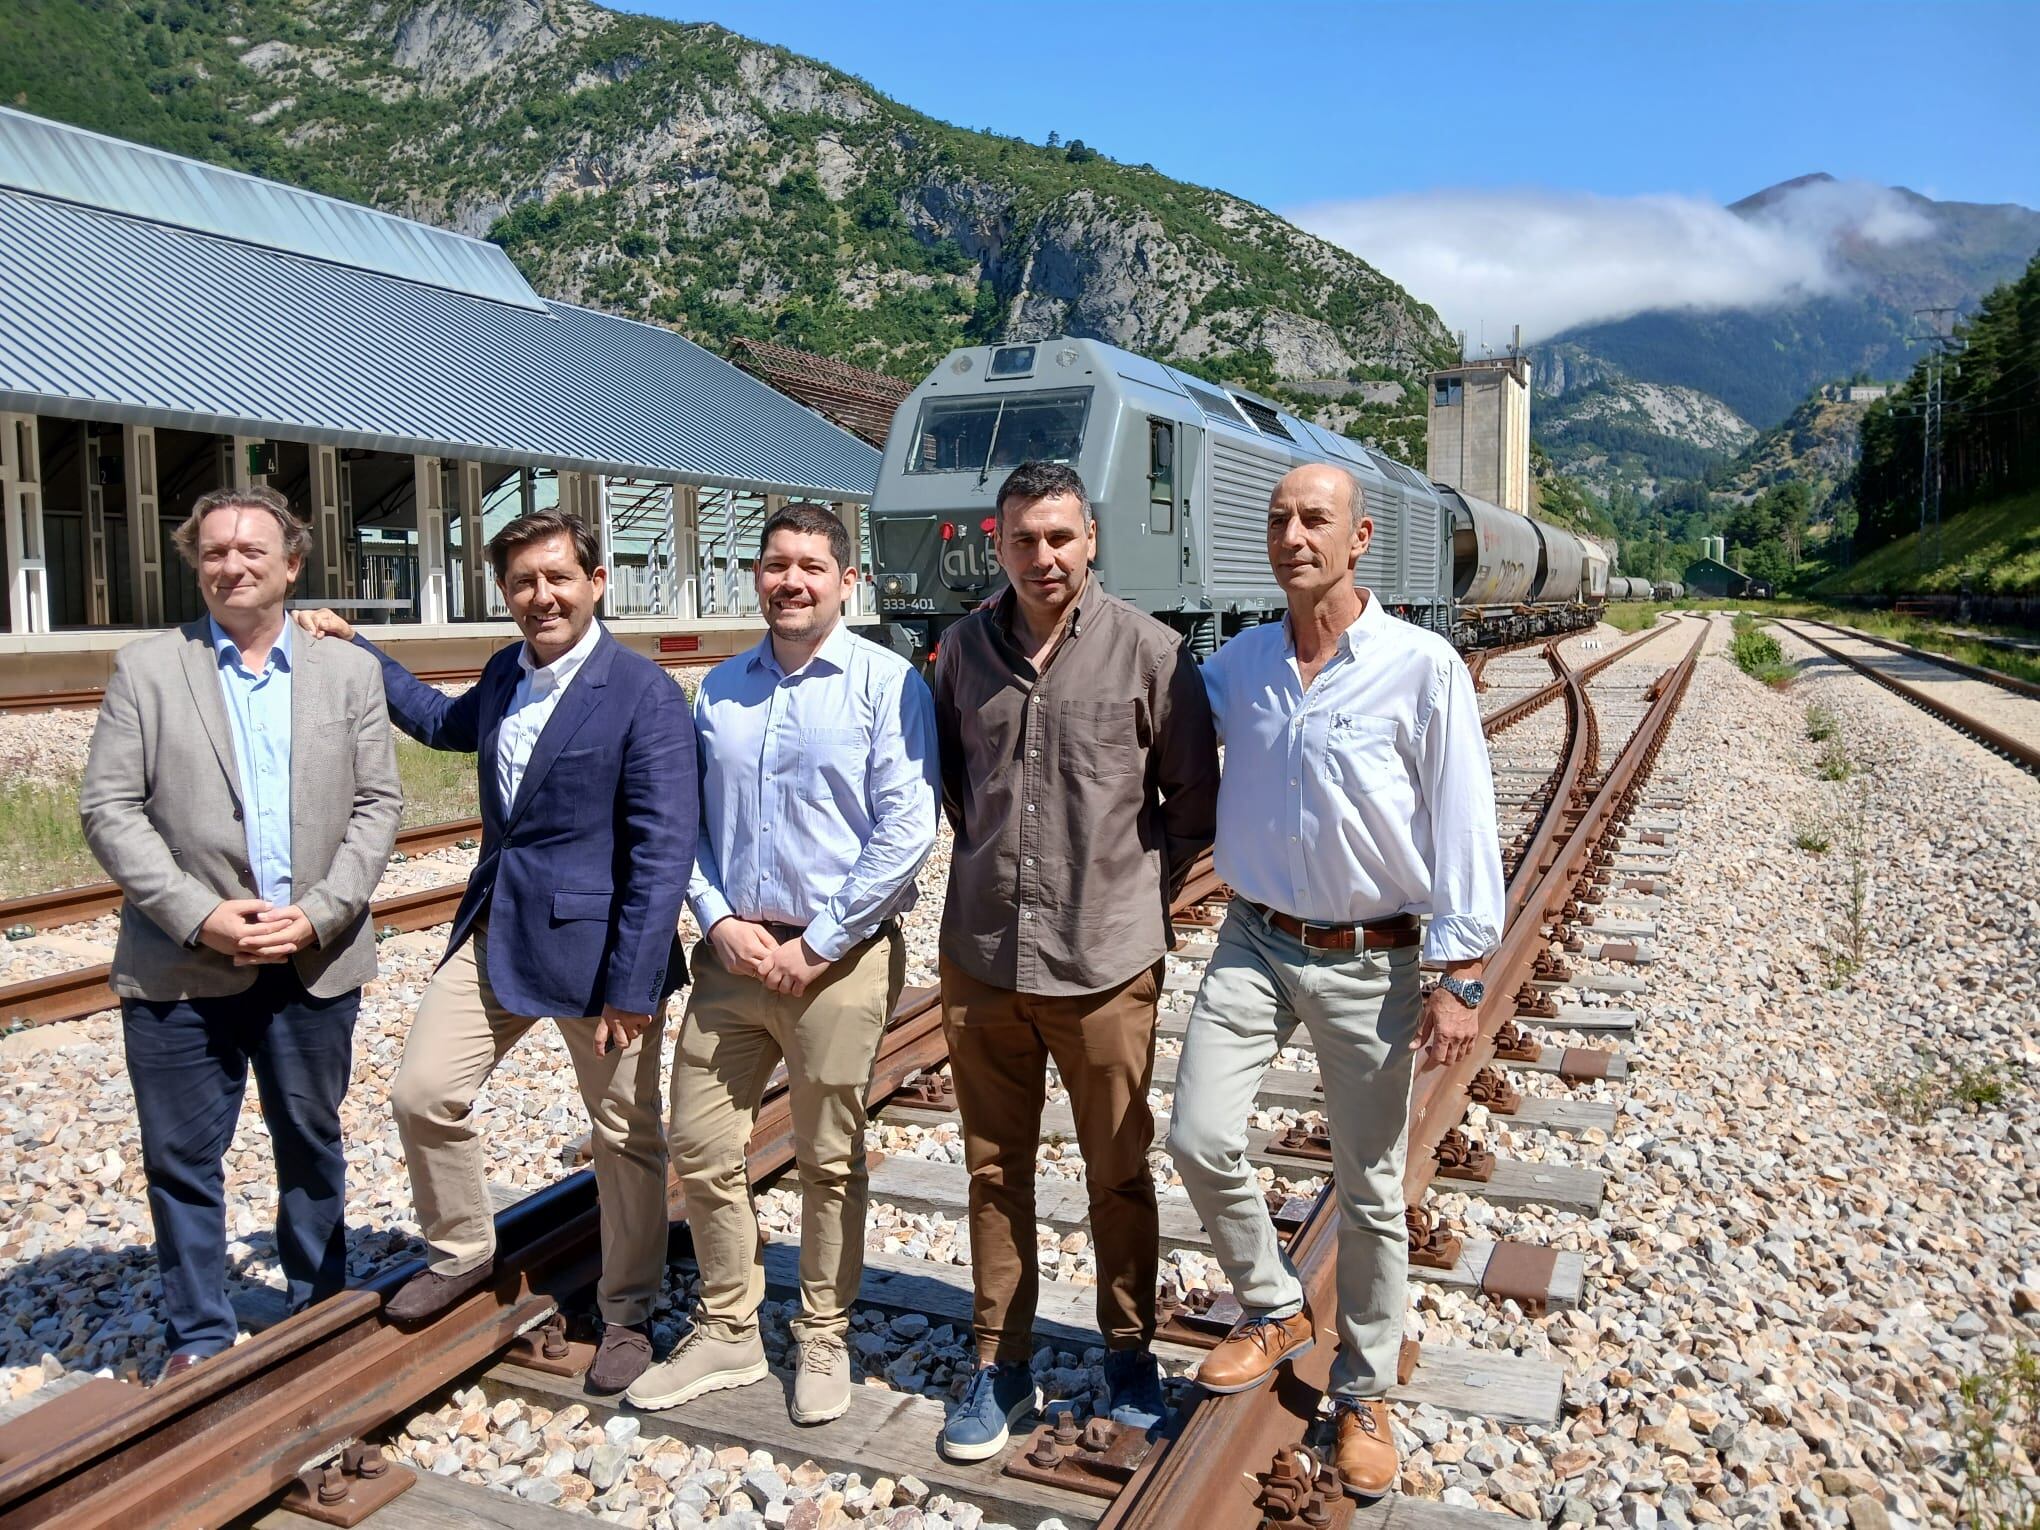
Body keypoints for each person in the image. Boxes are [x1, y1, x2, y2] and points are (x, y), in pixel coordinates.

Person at [298, 510, 696, 1394]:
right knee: (423, 1092)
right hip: (500, 930)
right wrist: (362, 647)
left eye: (557, 577)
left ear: (597, 583)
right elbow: (442, 724)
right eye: (522, 582)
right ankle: (464, 1248)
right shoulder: (505, 673)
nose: (540, 596)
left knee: (624, 1136)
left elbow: (664, 850)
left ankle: (628, 1307)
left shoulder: (644, 693)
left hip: (601, 958)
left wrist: (634, 986)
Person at [1166, 462, 1504, 1499]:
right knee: (1198, 1135)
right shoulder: (1237, 666)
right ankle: (1275, 1310)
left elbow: (1461, 816)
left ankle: (1362, 1391)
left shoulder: (1420, 664)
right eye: (1279, 519)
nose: (1294, 535)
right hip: (1257, 943)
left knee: (1367, 1189)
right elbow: (1153, 736)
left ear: (1359, 542)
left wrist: (1461, 971)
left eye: (1317, 519)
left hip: (1376, 959)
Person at [930, 461, 1219, 1461]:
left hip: (1106, 965)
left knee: (1118, 1172)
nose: (1043, 556)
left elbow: (1191, 807)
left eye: (1060, 537)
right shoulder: (961, 653)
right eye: (1023, 539)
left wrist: (1130, 902)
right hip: (983, 960)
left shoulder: (1153, 655)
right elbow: (961, 793)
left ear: (1091, 537)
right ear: (996, 544)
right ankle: (999, 1365)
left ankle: (1129, 1355)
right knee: (992, 1169)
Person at [80, 485, 401, 1383]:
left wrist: (322, 910)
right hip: (181, 963)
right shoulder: (147, 668)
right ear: (197, 564)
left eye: (251, 551)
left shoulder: (348, 672)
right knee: (182, 1159)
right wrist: (201, 916)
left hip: (314, 956)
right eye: (214, 551)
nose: (231, 565)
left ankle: (320, 1305)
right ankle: (198, 1334)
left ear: (291, 565)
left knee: (310, 1138)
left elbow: (379, 806)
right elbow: (109, 809)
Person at [628, 504, 938, 1426]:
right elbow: (682, 821)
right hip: (733, 960)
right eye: (775, 565)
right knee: (700, 1141)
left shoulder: (887, 683)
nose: (791, 581)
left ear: (848, 582)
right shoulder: (718, 689)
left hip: (836, 961)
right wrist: (715, 918)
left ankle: (823, 1332)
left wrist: (821, 942)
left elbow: (907, 829)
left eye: (811, 566)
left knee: (829, 1158)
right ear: (756, 577)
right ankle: (727, 1328)